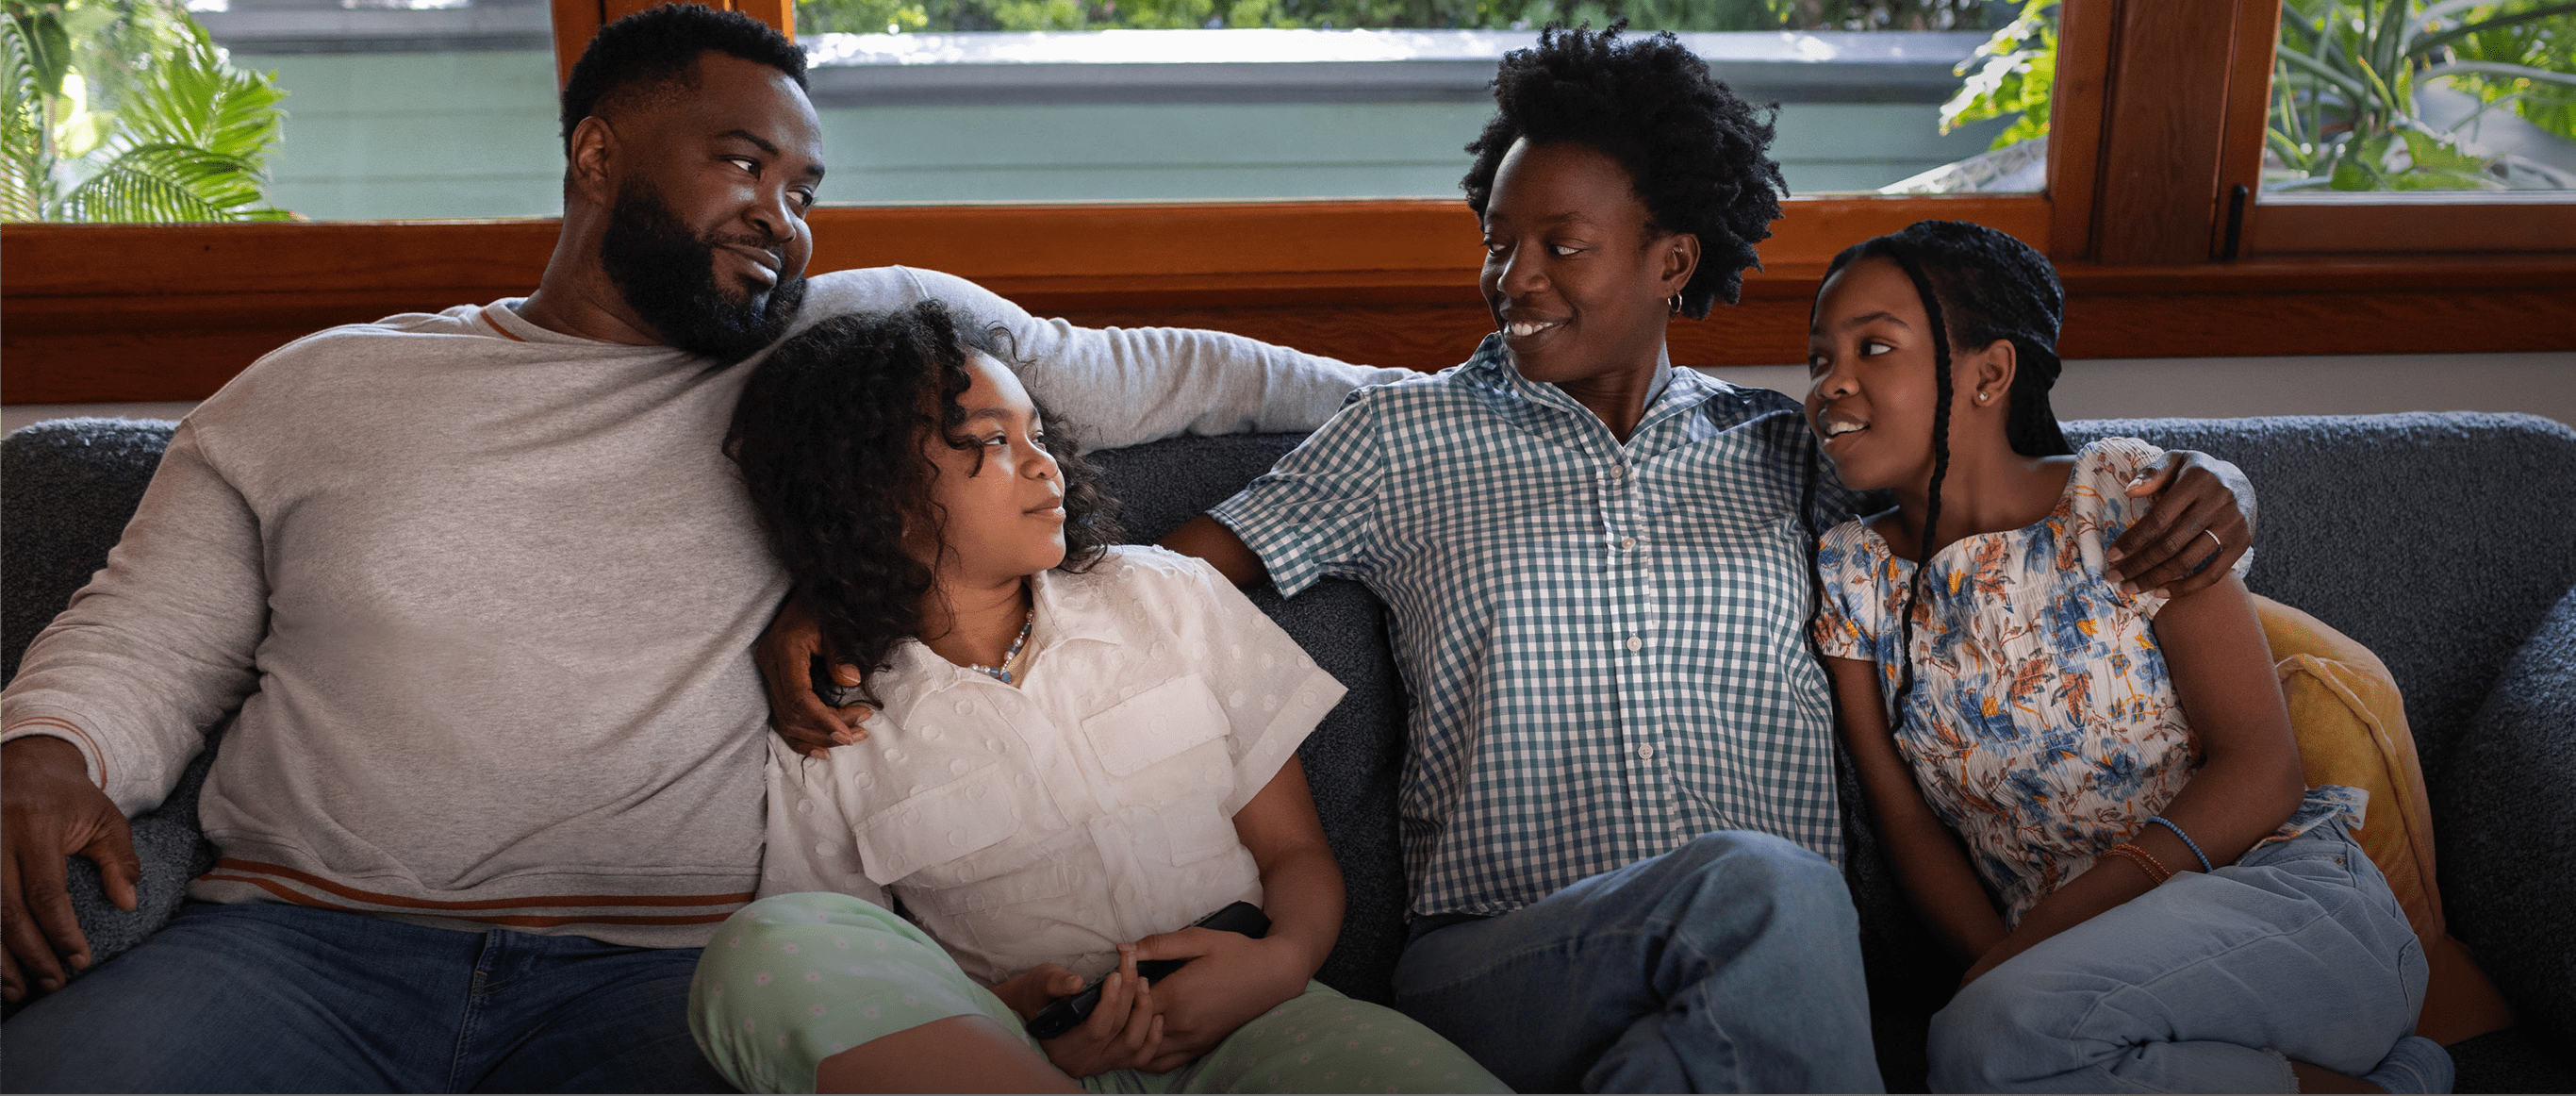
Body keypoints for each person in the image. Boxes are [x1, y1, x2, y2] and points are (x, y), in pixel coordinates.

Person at [0, 6, 1407, 1088]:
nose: (781, 217)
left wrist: (1466, 402)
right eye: (741, 163)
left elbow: (1160, 374)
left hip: (675, 970)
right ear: (598, 153)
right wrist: (51, 749)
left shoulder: (849, 363)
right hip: (302, 943)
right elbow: (152, 632)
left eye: (803, 186)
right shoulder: (318, 388)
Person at [1126, 26, 2259, 1094]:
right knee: (1764, 881)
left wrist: (2214, 482)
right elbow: (1164, 589)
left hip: (1784, 974)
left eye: (1560, 247)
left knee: (1752, 950)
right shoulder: (1401, 438)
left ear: (1672, 260)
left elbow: (2001, 488)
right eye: (1497, 243)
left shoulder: (1789, 451)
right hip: (1508, 959)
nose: (1513, 278)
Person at [691, 302, 1508, 1094]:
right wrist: (1001, 1015)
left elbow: (1297, 854)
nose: (1042, 463)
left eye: (1036, 435)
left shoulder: (1165, 595)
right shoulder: (834, 716)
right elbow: (858, 961)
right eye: (991, 442)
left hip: (1266, 1027)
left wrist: (1280, 962)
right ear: (872, 494)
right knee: (766, 946)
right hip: (1021, 1060)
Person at [1804, 220, 2448, 1094]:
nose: (1831, 383)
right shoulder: (1853, 570)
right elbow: (1907, 823)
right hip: (2076, 980)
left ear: (1989, 374)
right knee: (1989, 1049)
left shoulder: (2126, 500)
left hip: (2275, 911)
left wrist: (2031, 964)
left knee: (1980, 1048)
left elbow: (2264, 769)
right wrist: (2011, 968)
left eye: (1874, 346)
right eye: (1818, 359)